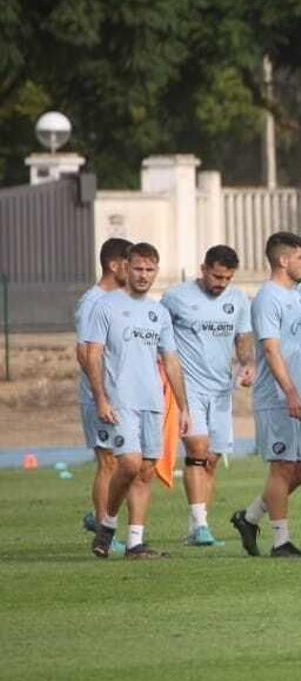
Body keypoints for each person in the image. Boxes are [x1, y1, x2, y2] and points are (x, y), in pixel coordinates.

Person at [84, 242, 190, 559]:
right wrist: (100, 398)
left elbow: (171, 360)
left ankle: (135, 543)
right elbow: (93, 355)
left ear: (156, 271)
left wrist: (184, 407)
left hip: (151, 401)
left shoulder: (158, 312)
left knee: (145, 471)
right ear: (127, 268)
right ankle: (107, 524)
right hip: (120, 401)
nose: (144, 275)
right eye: (138, 268)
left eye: (149, 269)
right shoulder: (105, 306)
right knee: (128, 463)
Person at [230, 232, 301, 558]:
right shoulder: (267, 298)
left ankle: (250, 517)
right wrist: (290, 391)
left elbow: (298, 341)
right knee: (282, 467)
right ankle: (281, 541)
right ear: (283, 260)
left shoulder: (297, 294)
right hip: (277, 398)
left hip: (300, 394)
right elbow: (269, 349)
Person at [161, 244, 253, 546]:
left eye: (227, 278)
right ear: (203, 269)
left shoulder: (238, 300)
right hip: (188, 389)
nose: (221, 284)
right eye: (216, 277)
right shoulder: (176, 297)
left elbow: (242, 338)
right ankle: (201, 527)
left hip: (221, 389)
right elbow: (160, 338)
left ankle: (196, 525)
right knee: (198, 449)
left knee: (212, 458)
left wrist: (246, 363)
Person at [75, 237, 132, 554]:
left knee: (126, 462)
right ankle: (105, 533)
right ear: (114, 265)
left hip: (121, 397)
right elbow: (84, 353)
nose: (136, 270)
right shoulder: (93, 302)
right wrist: (100, 397)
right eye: (129, 263)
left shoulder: (118, 300)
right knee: (108, 463)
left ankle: (100, 518)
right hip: (101, 399)